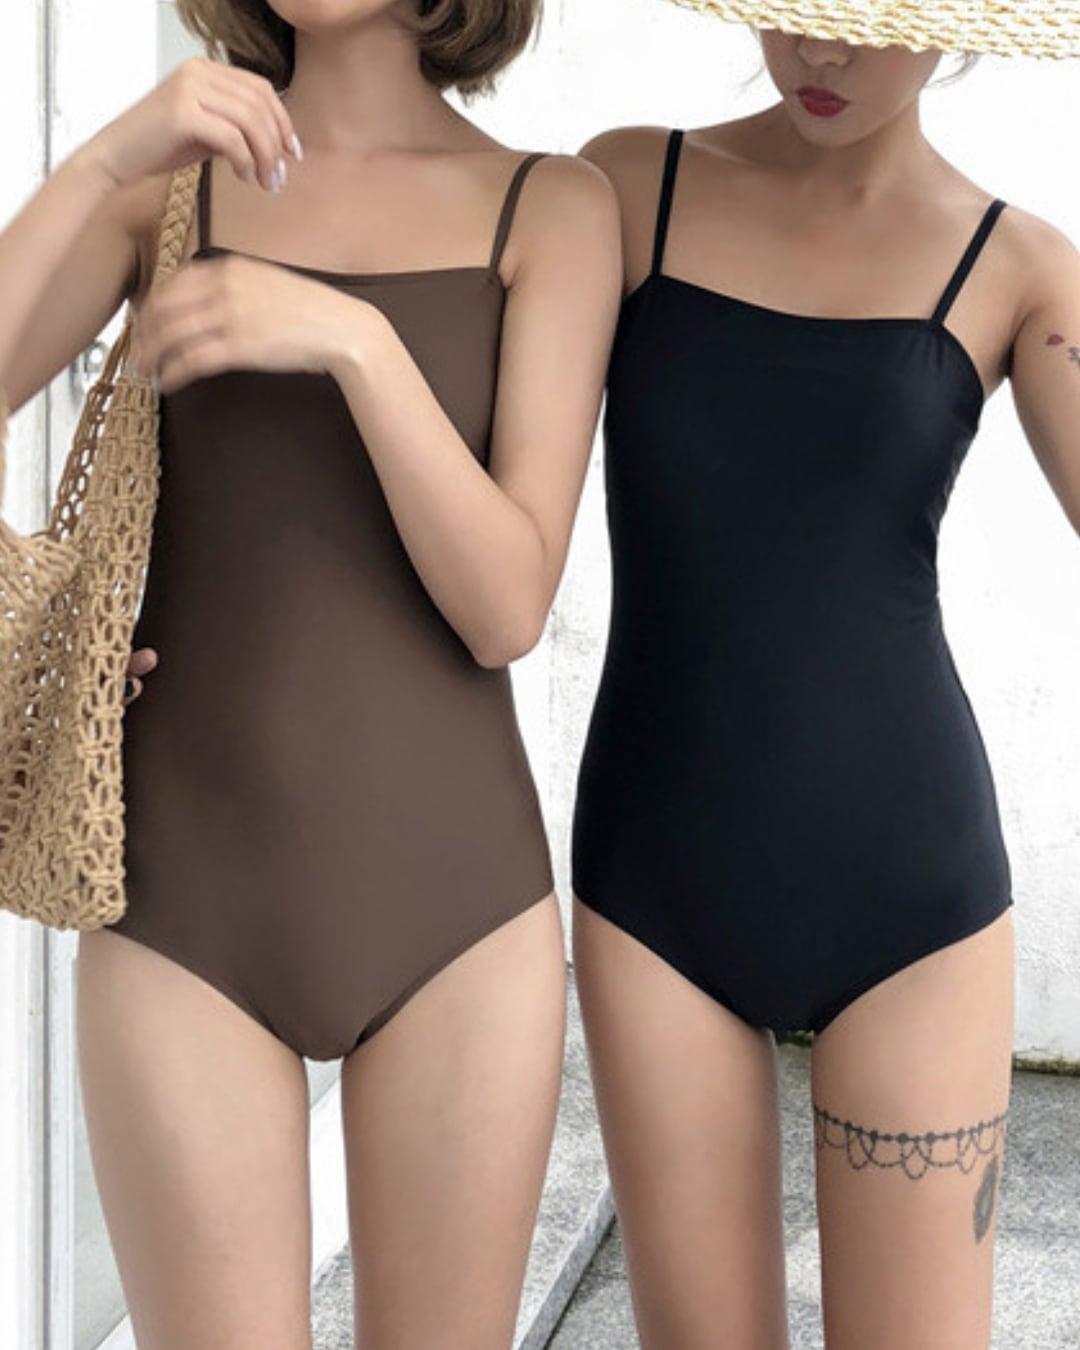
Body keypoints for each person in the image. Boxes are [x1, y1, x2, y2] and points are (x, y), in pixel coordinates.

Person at [0, 2, 620, 1345]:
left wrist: (352, 341)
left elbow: (508, 604)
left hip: (460, 916)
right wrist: (102, 162)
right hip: (179, 905)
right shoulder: (166, 190)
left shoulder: (555, 208)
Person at [570, 3, 1080, 1346]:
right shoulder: (625, 187)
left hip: (910, 893)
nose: (824, 52)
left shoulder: (1020, 264)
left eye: (865, 16)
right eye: (794, 12)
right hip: (652, 882)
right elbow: (480, 494)